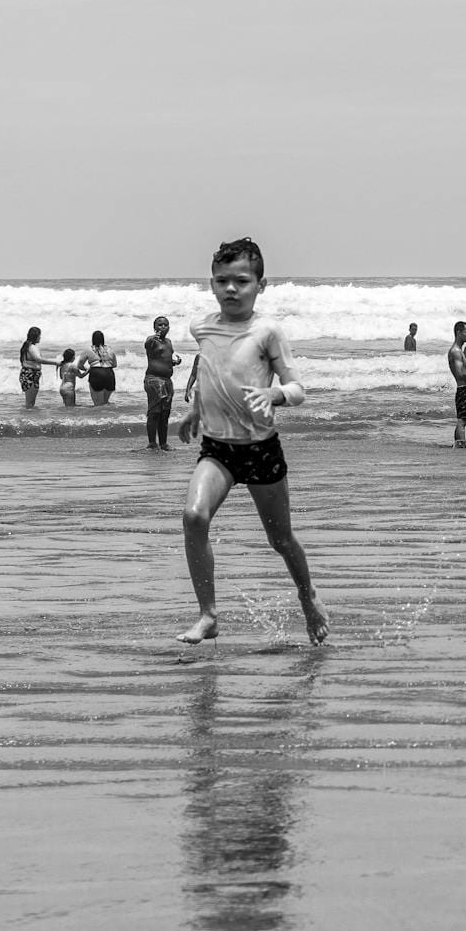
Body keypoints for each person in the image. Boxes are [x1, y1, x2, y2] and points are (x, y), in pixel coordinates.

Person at [174, 236, 327, 647]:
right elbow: (211, 367)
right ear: (211, 284)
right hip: (217, 449)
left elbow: (297, 388)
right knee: (193, 516)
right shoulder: (202, 326)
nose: (231, 289)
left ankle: (307, 597)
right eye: (222, 280)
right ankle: (208, 614)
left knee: (280, 539)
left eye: (241, 280)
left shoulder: (267, 331)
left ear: (260, 284)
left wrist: (275, 394)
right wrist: (195, 410)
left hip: (260, 450)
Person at [143, 316, 182, 449]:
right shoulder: (152, 340)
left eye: (165, 325)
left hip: (167, 381)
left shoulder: (169, 342)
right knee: (155, 412)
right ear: (155, 328)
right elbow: (148, 345)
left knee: (165, 413)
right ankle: (152, 443)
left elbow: (164, 359)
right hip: (154, 379)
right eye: (159, 325)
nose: (163, 327)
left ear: (169, 327)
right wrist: (154, 337)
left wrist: (174, 362)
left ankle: (164, 443)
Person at [447, 322, 466, 447]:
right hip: (465, 388)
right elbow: (460, 374)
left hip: (465, 388)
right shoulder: (456, 351)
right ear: (459, 333)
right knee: (462, 421)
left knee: (462, 420)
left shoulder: (459, 351)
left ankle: (459, 445)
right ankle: (461, 446)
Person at [18, 327, 63, 408]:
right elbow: (38, 359)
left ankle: (28, 418)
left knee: (30, 402)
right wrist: (55, 362)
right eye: (39, 335)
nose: (40, 337)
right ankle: (26, 419)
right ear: (36, 336)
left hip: (29, 373)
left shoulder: (28, 346)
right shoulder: (31, 347)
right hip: (30, 374)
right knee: (30, 403)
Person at [79, 331, 118, 405]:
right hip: (109, 374)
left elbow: (80, 365)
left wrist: (88, 369)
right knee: (105, 403)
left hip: (96, 373)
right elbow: (115, 365)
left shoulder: (88, 350)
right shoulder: (110, 349)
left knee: (98, 404)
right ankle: (110, 416)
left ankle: (100, 417)